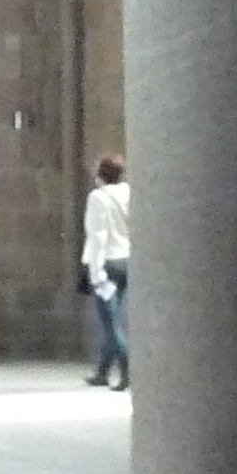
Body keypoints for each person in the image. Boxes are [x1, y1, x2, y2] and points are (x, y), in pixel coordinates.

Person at [78, 154, 131, 389]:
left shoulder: (98, 198)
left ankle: (127, 369)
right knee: (113, 318)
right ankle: (102, 371)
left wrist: (96, 273)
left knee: (111, 324)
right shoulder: (129, 194)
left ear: (101, 175)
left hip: (106, 263)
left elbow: (97, 236)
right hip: (126, 261)